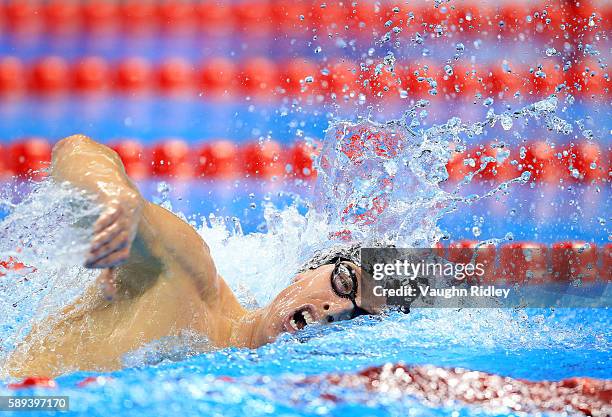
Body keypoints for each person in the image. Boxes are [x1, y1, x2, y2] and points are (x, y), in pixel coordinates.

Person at [7, 135, 378, 378]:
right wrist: (114, 196)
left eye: (357, 319)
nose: (336, 311)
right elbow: (76, 150)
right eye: (345, 283)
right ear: (306, 270)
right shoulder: (187, 277)